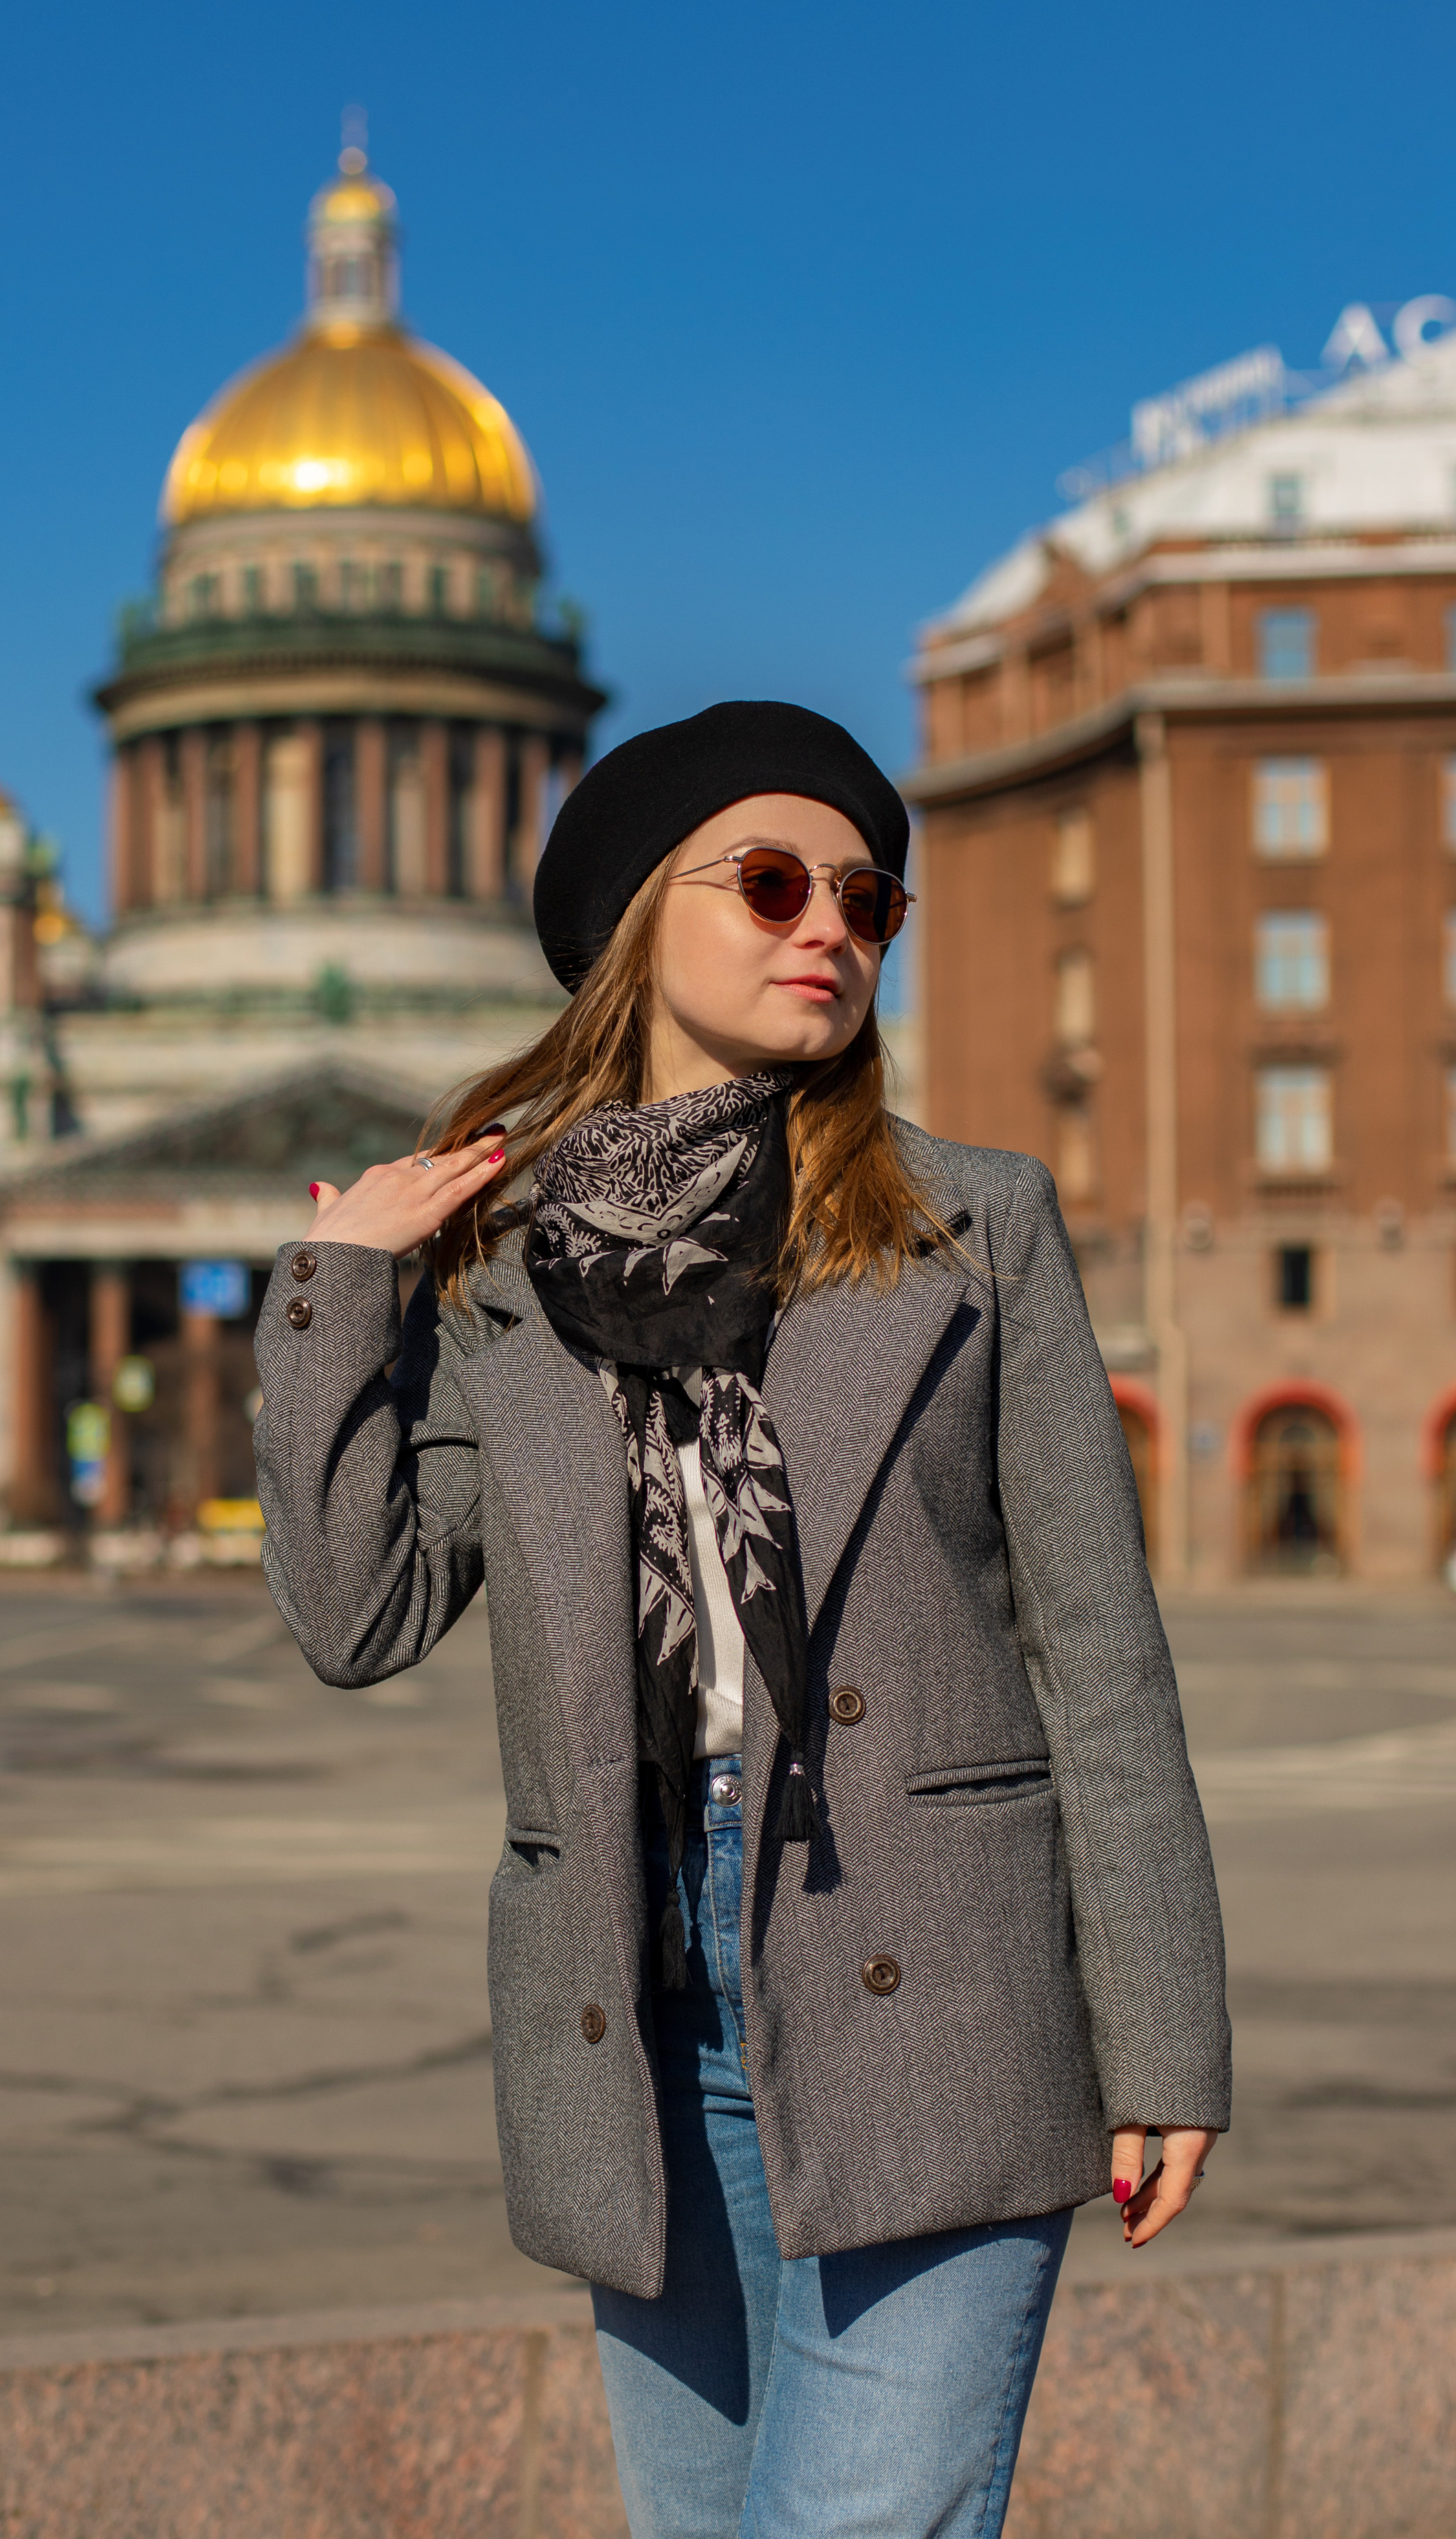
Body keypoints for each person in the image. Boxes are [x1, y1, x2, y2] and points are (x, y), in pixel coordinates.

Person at [253, 700, 1229, 2539]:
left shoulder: (976, 1225)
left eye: (870, 900)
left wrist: (1166, 2032)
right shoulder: (503, 1271)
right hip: (642, 2004)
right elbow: (360, 1612)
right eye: (775, 883)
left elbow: (1099, 1655)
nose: (831, 929)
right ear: (642, 915)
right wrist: (335, 1295)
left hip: (938, 1982)